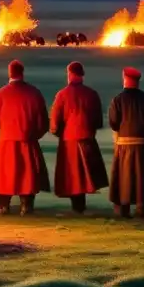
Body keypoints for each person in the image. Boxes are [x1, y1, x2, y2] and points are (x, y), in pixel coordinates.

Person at [0, 60, 50, 215]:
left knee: (4, 175)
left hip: (7, 139)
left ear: (10, 73)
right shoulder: (34, 93)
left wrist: (7, 129)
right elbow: (42, 119)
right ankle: (26, 205)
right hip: (27, 139)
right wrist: (35, 135)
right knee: (28, 175)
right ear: (22, 72)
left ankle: (3, 205)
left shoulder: (1, 93)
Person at [50, 61, 108, 214]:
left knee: (73, 176)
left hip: (69, 140)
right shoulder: (92, 94)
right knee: (85, 175)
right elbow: (98, 121)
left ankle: (77, 206)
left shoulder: (62, 95)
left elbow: (55, 122)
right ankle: (80, 205)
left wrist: (58, 133)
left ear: (69, 74)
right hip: (87, 138)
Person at [108, 67, 144, 218]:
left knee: (123, 178)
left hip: (124, 147)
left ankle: (123, 209)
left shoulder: (117, 100)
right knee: (143, 178)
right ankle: (142, 208)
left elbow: (113, 123)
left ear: (124, 78)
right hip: (143, 146)